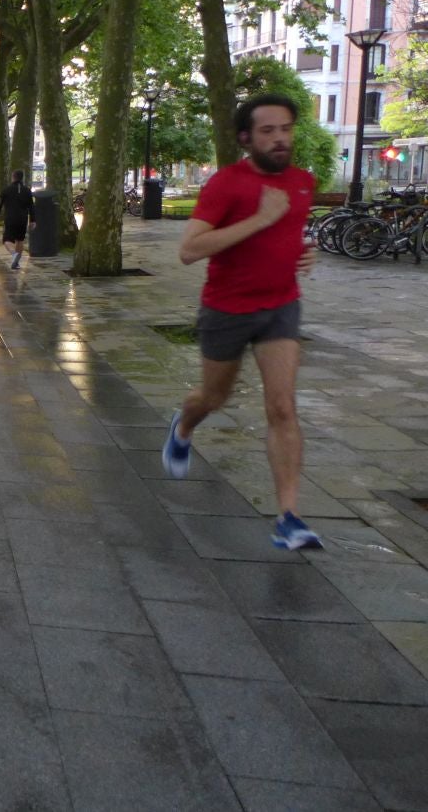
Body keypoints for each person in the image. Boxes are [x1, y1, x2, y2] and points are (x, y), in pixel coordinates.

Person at [162, 93, 321, 550]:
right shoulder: (226, 184)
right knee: (213, 397)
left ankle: (289, 518)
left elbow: (287, 237)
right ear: (246, 138)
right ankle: (184, 426)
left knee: (282, 406)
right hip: (226, 310)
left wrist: (304, 253)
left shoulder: (303, 182)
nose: (279, 139)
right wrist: (261, 218)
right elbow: (189, 250)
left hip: (281, 307)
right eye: (268, 131)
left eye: (285, 129)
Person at [0, 169, 35, 269]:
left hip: (10, 218)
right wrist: (33, 220)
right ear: (22, 178)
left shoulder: (6, 190)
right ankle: (16, 263)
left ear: (13, 177)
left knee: (6, 239)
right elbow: (32, 206)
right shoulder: (27, 190)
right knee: (20, 240)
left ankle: (14, 254)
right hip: (23, 219)